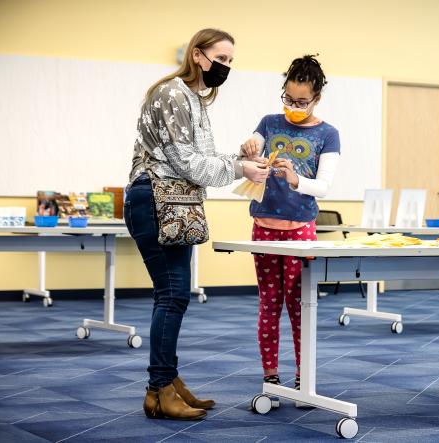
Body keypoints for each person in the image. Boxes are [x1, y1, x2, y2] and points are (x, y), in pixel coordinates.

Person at [124, 28, 269, 420]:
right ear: (198, 55)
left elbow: (195, 160)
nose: (226, 67)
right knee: (173, 296)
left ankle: (166, 383)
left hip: (172, 201)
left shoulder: (194, 100)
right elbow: (188, 164)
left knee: (171, 296)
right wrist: (240, 167)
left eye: (231, 62)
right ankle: (160, 386)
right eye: (221, 59)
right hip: (155, 198)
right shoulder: (173, 93)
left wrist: (240, 157)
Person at [240, 54, 340, 406]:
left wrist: (298, 179)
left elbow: (324, 187)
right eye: (288, 99)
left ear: (317, 99)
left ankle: (303, 378)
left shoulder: (328, 134)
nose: (293, 107)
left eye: (302, 102)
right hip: (264, 227)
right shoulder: (268, 123)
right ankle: (271, 377)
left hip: (301, 229)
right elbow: (249, 152)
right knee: (269, 303)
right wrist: (249, 148)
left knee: (300, 305)